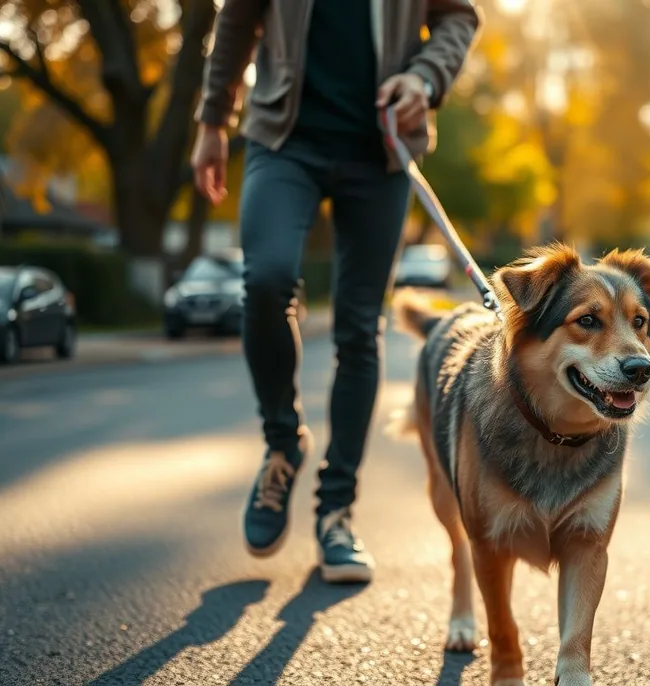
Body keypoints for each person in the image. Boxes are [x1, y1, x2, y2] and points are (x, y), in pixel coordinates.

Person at [191, 0, 481, 583]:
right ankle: (282, 443)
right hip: (283, 136)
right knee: (267, 280)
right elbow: (236, 18)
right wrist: (212, 121)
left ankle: (336, 512)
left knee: (358, 328)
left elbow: (458, 16)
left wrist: (423, 78)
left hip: (381, 148)